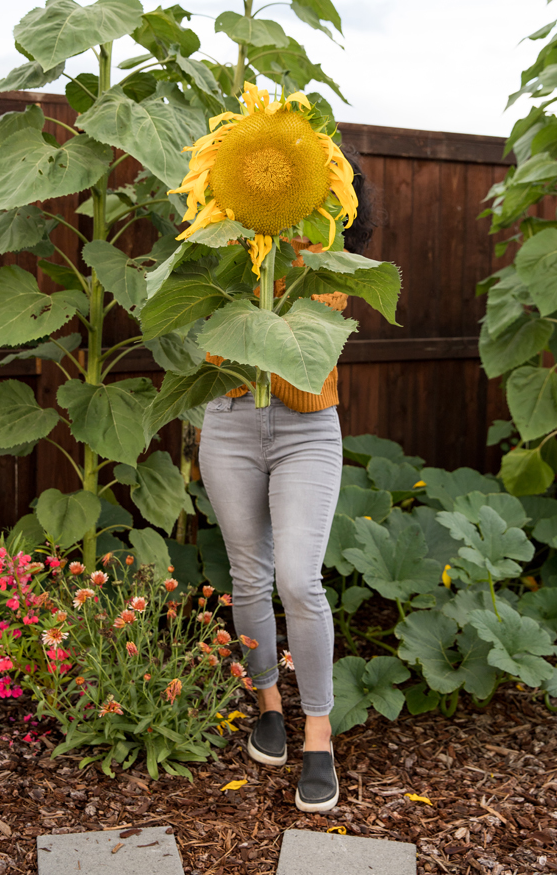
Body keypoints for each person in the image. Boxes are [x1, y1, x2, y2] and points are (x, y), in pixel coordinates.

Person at [198, 151, 377, 814]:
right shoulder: (231, 241)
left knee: (299, 578)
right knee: (248, 574)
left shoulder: (330, 256)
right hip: (230, 422)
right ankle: (268, 700)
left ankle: (319, 734)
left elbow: (306, 355)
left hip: (306, 429)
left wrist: (284, 253)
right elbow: (221, 345)